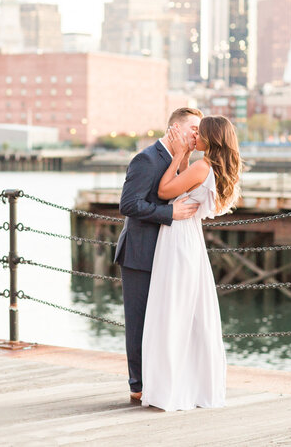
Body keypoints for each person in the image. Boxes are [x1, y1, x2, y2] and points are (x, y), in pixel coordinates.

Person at [141, 115, 242, 411]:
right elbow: (187, 188)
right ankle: (193, 385)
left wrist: (179, 155)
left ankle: (170, 388)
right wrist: (185, 158)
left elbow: (164, 191)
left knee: (173, 308)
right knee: (191, 310)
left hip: (179, 237)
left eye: (199, 132)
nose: (194, 135)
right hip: (191, 238)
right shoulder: (216, 169)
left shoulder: (201, 165)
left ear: (210, 137)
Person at [114, 107, 204, 404]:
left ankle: (162, 381)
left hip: (170, 255)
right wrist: (170, 213)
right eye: (193, 128)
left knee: (164, 320)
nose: (197, 135)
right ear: (174, 129)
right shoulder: (147, 159)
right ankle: (138, 385)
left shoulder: (182, 161)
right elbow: (128, 205)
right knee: (139, 322)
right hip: (141, 254)